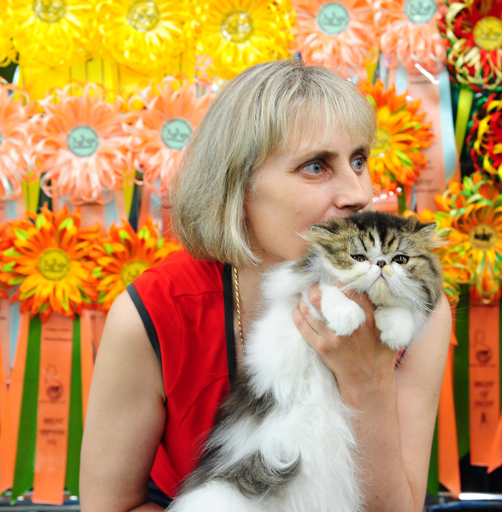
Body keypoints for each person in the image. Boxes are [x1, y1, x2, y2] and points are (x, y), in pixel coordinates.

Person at [79, 59, 451, 512]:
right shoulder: (156, 310)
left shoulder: (413, 304)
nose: (358, 193)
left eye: (359, 160)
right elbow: (110, 506)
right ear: (236, 187)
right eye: (316, 166)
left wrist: (367, 381)